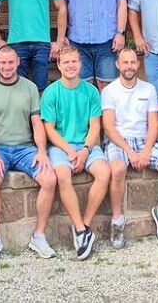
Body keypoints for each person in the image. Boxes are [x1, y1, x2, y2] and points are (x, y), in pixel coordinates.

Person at [0, 45, 58, 264]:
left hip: (24, 147)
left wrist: (41, 151)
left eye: (11, 62)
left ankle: (39, 236)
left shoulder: (30, 87)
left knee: (50, 178)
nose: (6, 67)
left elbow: (36, 123)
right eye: (2, 63)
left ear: (18, 63)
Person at [101, 48, 158, 249]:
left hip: (144, 139)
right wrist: (129, 151)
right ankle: (117, 220)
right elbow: (109, 128)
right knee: (118, 168)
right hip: (119, 141)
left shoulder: (148, 89)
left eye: (133, 62)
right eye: (125, 62)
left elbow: (154, 124)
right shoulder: (109, 90)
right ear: (117, 65)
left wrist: (145, 151)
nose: (129, 66)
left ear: (138, 65)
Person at [40, 45, 110, 259]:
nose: (70, 66)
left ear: (80, 64)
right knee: (62, 174)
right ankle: (79, 228)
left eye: (74, 62)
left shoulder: (90, 91)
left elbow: (95, 126)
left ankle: (84, 226)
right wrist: (71, 152)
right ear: (59, 65)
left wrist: (86, 150)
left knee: (104, 173)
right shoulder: (51, 92)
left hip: (87, 145)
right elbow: (49, 130)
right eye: (66, 62)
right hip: (62, 146)